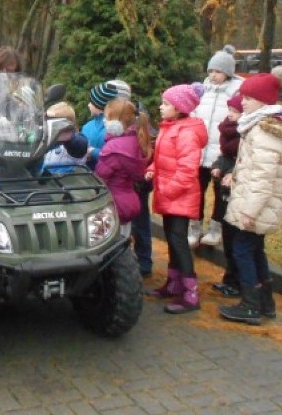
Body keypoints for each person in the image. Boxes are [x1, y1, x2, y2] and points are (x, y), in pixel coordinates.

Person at [220, 68, 282, 325]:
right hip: (255, 202)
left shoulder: (263, 132)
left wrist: (249, 211)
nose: (242, 102)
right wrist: (236, 174)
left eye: (248, 98)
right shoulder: (260, 126)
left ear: (263, 101)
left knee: (243, 250)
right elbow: (253, 168)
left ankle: (251, 304)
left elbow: (263, 179)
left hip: (255, 205)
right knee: (255, 251)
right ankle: (265, 303)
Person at [145, 82, 207, 314]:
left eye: (166, 104)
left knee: (179, 241)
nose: (161, 107)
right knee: (172, 239)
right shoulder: (170, 127)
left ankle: (191, 293)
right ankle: (173, 284)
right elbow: (162, 157)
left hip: (179, 195)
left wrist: (168, 189)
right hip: (169, 193)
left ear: (180, 108)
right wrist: (152, 167)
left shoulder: (187, 133)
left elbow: (187, 170)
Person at [193, 45, 243, 248]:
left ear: (228, 73)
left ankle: (215, 229)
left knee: (221, 193)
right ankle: (194, 228)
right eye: (211, 71)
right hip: (199, 151)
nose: (213, 75)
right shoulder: (201, 91)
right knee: (196, 191)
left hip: (222, 154)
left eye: (218, 72)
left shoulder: (236, 94)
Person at [95, 99, 153, 238]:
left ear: (115, 123)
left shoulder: (114, 148)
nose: (104, 121)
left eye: (106, 117)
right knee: (123, 242)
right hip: (128, 201)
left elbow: (100, 178)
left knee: (105, 246)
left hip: (111, 205)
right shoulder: (136, 141)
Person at [209, 92, 244, 298]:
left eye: (235, 111)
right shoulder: (227, 129)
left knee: (236, 237)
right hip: (224, 187)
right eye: (230, 110)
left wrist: (231, 172)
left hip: (238, 190)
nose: (231, 114)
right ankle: (230, 279)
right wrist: (219, 166)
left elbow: (242, 159)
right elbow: (225, 155)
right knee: (227, 233)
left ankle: (237, 281)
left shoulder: (245, 133)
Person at [81, 80, 131, 169]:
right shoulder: (88, 126)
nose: (88, 105)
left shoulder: (118, 130)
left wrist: (93, 152)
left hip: (108, 177)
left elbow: (116, 156)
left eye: (92, 102)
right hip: (88, 177)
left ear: (101, 105)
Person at [42, 101, 89, 173]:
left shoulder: (74, 142)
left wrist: (68, 136)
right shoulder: (47, 138)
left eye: (54, 123)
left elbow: (80, 145)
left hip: (66, 180)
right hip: (45, 179)